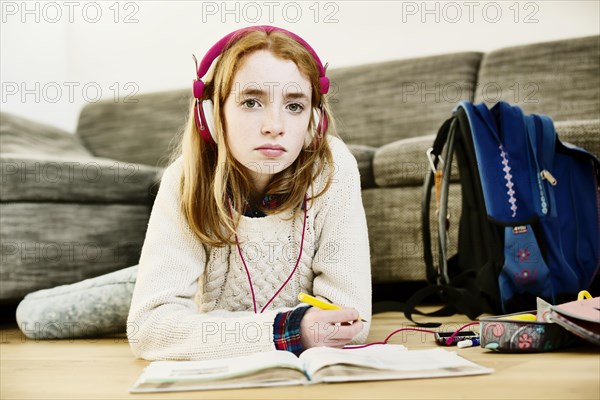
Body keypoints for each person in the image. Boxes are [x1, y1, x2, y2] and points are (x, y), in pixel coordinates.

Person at [16, 25, 372, 361]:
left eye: (294, 105)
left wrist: (242, 332)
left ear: (314, 121)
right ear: (211, 115)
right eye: (251, 102)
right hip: (193, 286)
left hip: (204, 319)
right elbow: (150, 328)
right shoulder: (184, 178)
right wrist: (288, 330)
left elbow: (349, 324)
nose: (274, 126)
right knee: (36, 316)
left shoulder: (334, 166)